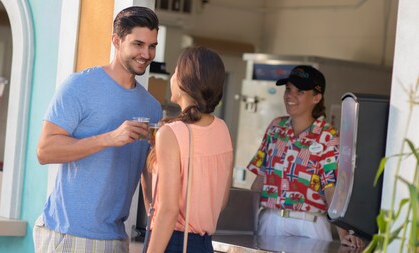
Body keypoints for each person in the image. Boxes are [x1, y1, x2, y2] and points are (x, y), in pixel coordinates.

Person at [33, 6, 162, 253]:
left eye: (152, 46)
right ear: (116, 40)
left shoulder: (152, 107)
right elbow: (44, 151)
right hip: (69, 234)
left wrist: (155, 220)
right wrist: (109, 138)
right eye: (138, 44)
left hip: (115, 237)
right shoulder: (80, 86)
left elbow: (147, 171)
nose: (146, 53)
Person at [247, 65, 366, 248]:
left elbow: (332, 189)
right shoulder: (276, 127)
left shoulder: (329, 136)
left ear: (316, 98)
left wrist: (345, 234)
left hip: (310, 225)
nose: (289, 96)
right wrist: (242, 219)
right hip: (270, 220)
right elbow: (261, 177)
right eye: (288, 89)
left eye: (300, 91)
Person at [141, 46, 234, 253]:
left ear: (184, 82)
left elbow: (168, 211)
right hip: (204, 244)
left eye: (175, 71)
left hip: (173, 243)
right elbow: (222, 201)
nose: (172, 77)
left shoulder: (171, 133)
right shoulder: (222, 129)